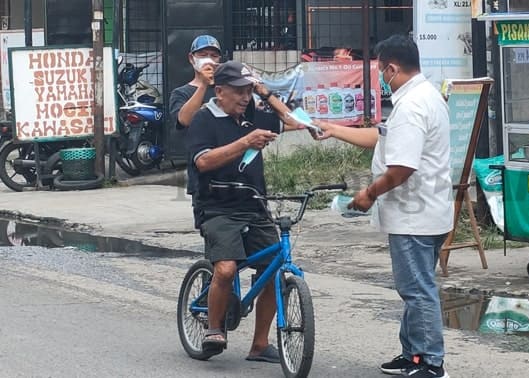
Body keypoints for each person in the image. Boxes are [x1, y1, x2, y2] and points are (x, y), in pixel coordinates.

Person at [314, 34, 453, 378]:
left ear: (391, 68)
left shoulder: (411, 105)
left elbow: (403, 168)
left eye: (380, 71)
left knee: (417, 290)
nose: (379, 78)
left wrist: (368, 195)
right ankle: (412, 355)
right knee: (415, 286)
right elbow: (381, 137)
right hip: (426, 212)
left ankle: (429, 362)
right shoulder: (424, 96)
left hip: (413, 216)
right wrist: (334, 129)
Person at [186, 60, 303, 361]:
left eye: (248, 91)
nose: (244, 98)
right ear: (220, 91)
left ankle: (260, 344)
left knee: (274, 268)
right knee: (225, 268)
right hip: (217, 208)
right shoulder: (204, 119)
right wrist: (245, 142)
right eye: (239, 91)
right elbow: (203, 162)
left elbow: (293, 121)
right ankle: (214, 329)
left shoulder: (253, 114)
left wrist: (265, 93)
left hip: (253, 205)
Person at [169, 35, 223, 228]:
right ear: (192, 58)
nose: (209, 59)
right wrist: (203, 84)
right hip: (204, 180)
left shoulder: (227, 90)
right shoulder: (181, 93)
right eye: (203, 55)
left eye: (213, 55)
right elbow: (184, 120)